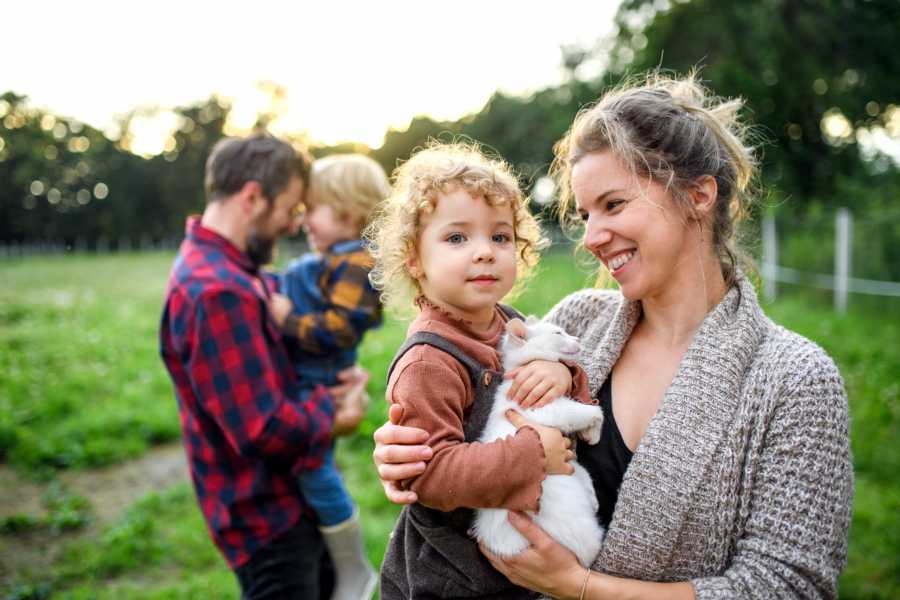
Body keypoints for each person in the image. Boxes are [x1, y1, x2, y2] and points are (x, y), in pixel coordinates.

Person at [371, 74, 854, 599]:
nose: (592, 237)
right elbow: (471, 430)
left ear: (697, 195)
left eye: (614, 204)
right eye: (584, 214)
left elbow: (788, 587)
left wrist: (578, 586)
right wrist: (407, 457)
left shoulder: (794, 381)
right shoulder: (576, 322)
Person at [364, 142, 597, 599]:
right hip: (452, 579)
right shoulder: (428, 362)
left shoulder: (509, 323)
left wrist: (564, 376)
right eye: (457, 238)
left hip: (509, 562)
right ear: (413, 258)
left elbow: (546, 382)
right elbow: (430, 474)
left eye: (500, 236)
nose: (485, 252)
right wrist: (534, 454)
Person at [159, 134, 368, 599]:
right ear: (253, 197)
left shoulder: (232, 269)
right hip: (268, 520)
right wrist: (339, 411)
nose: (294, 224)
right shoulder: (218, 291)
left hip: (284, 503)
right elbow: (262, 427)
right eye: (290, 209)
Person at [266, 154, 390, 600]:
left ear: (349, 211)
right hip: (309, 375)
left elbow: (340, 327)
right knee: (312, 467)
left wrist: (288, 320)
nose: (303, 221)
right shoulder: (332, 260)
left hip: (320, 380)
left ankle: (353, 567)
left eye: (311, 209)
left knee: (316, 469)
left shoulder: (356, 264)